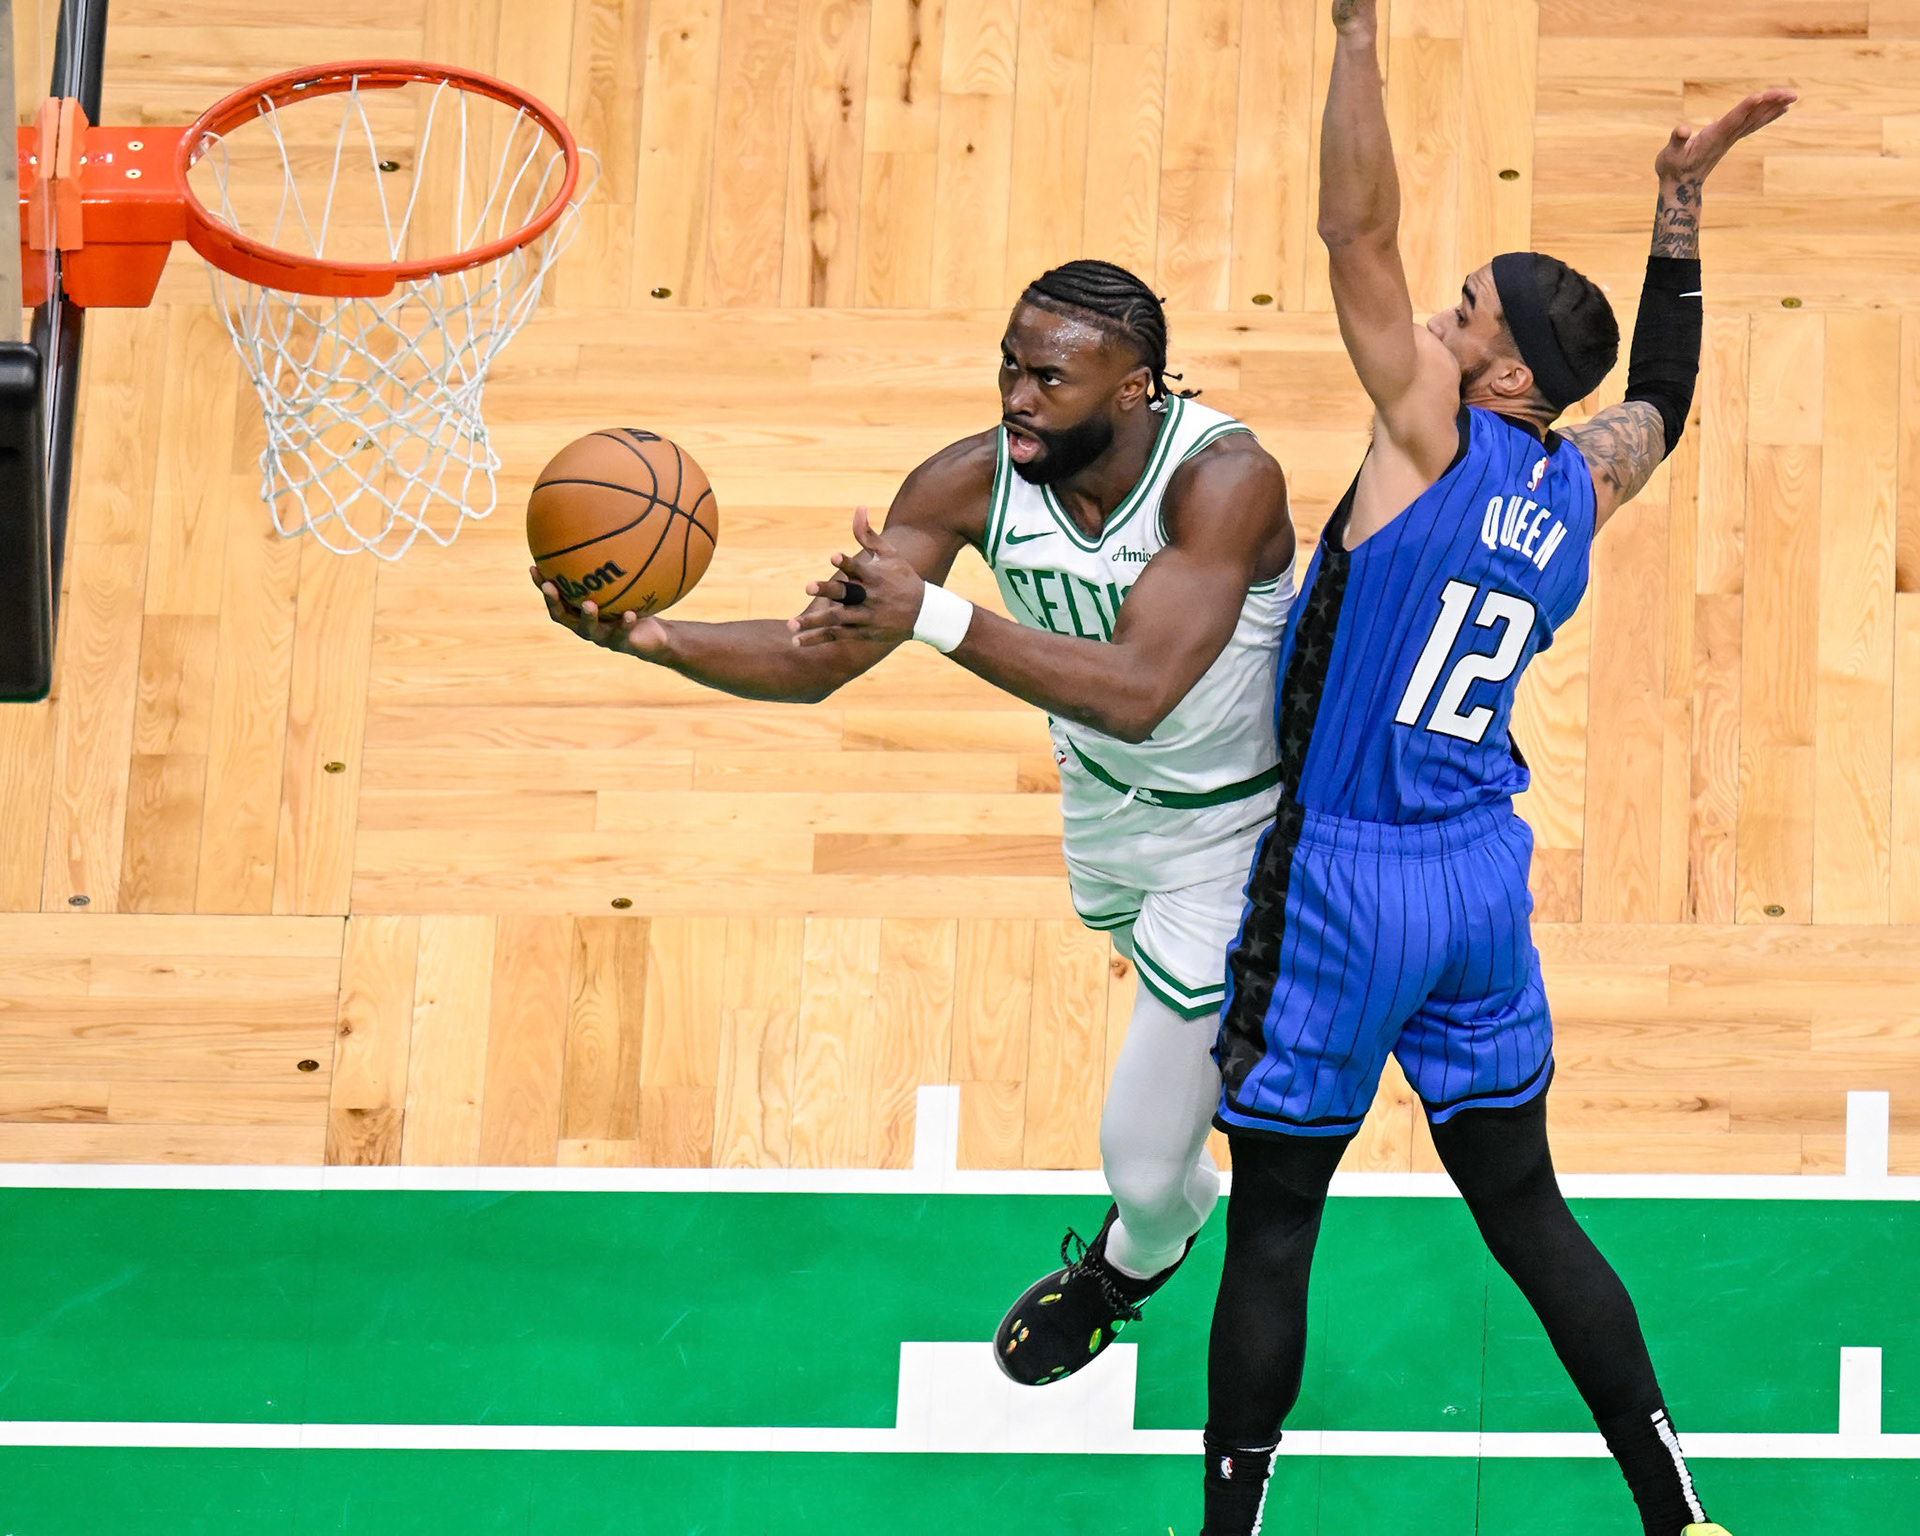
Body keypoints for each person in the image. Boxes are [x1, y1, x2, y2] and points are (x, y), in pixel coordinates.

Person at [1192, 4, 1796, 1534]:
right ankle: (1680, 1514)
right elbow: (1668, 389)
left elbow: (1351, 229)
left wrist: (1352, 42)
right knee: (1525, 1207)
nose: (1441, 323)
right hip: (1476, 875)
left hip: (1343, 876)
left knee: (1273, 1226)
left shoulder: (1424, 435)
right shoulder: (1579, 488)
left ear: (1509, 371)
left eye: (1468, 314)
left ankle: (1228, 1529)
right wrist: (1682, 203)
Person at [537, 259, 1297, 1385]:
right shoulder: (965, 484)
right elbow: (823, 663)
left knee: (1141, 1171)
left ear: (1135, 389)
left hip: (1232, 835)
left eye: (1050, 377)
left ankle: (1131, 1262)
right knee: (1169, 1103)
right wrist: (654, 643)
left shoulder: (1225, 481)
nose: (1016, 396)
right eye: (1008, 364)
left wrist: (935, 614)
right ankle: (1198, 1132)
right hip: (1106, 816)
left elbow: (1141, 693)